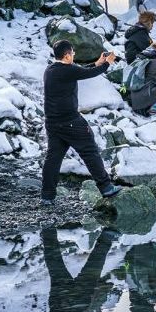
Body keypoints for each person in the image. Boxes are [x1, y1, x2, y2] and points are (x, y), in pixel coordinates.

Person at [41, 40, 122, 205]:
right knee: (90, 151)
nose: (74, 55)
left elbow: (79, 71)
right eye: (73, 53)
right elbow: (86, 74)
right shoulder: (67, 70)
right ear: (67, 55)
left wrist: (97, 63)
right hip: (70, 121)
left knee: (53, 158)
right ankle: (106, 187)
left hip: (52, 123)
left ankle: (47, 196)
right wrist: (107, 64)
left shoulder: (50, 70)